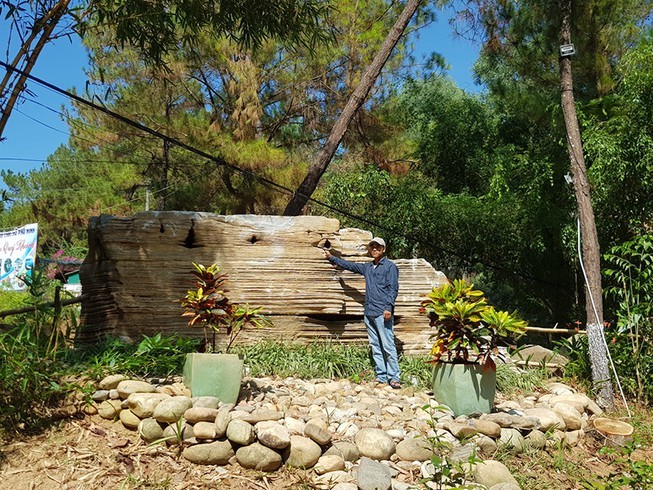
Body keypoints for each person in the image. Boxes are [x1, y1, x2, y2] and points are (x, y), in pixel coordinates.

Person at [324, 237, 401, 389]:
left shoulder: (390, 267)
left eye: (377, 247)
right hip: (369, 312)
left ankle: (394, 377)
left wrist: (388, 307)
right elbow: (351, 266)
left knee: (388, 345)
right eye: (372, 246)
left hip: (382, 312)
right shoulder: (368, 267)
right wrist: (332, 258)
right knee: (375, 345)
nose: (374, 249)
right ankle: (381, 376)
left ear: (383, 249)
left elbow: (393, 289)